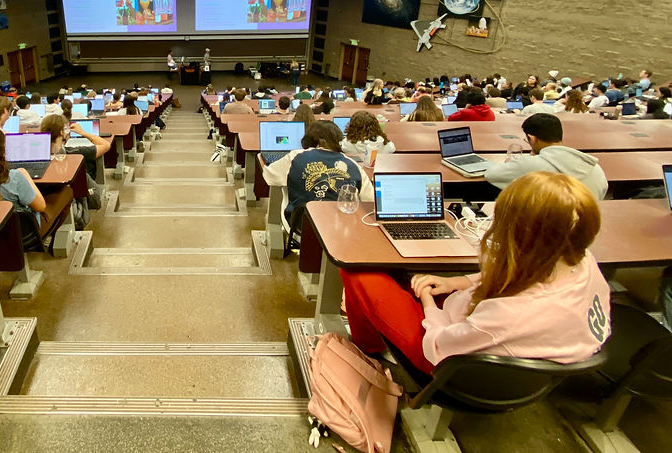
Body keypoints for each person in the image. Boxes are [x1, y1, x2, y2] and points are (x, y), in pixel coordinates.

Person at [339, 171, 611, 375]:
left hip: (444, 359)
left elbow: (438, 346)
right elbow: (522, 275)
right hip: (482, 337)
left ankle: (369, 347)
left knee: (355, 268)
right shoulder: (582, 260)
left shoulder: (509, 314)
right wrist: (456, 282)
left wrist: (427, 302)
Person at [262, 120, 373, 223]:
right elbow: (370, 202)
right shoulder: (355, 166)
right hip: (343, 227)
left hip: (303, 226)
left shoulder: (295, 156)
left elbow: (269, 176)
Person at [485, 114, 607, 200]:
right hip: (586, 229)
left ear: (532, 138)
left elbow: (491, 174)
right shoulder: (595, 167)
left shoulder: (529, 165)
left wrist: (512, 162)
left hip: (544, 230)